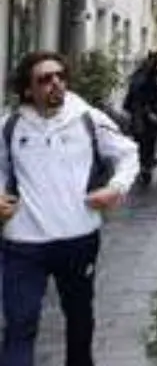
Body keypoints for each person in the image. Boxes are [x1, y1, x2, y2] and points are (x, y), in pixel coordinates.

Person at [0, 51, 141, 366]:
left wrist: (115, 188)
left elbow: (128, 153)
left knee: (79, 320)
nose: (56, 84)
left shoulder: (87, 118)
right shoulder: (10, 126)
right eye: (45, 79)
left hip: (78, 237)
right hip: (23, 242)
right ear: (27, 89)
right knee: (20, 326)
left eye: (60, 76)